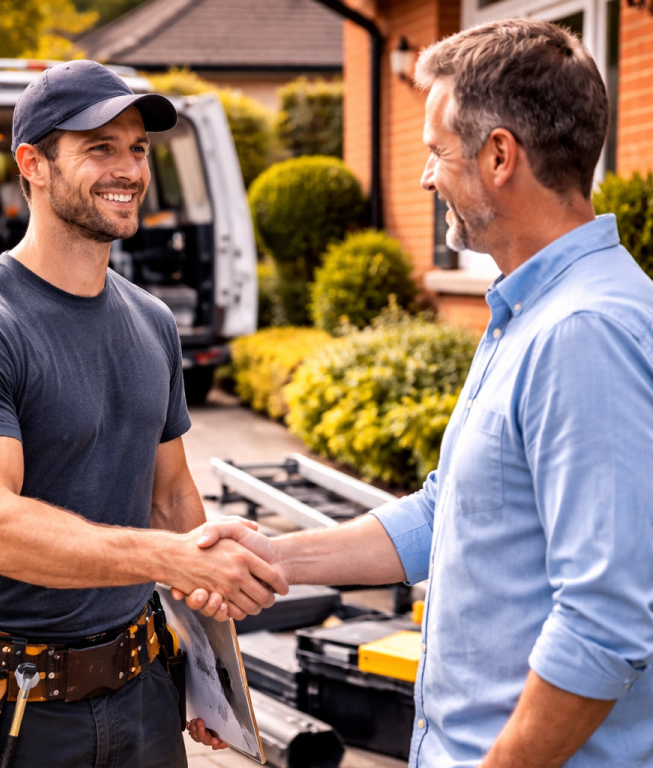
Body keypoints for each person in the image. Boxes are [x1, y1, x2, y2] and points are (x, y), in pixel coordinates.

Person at [182, 19, 653, 768]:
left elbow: (605, 623)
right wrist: (275, 560)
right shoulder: (525, 313)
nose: (427, 176)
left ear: (500, 155)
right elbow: (448, 513)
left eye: (436, 151)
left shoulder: (584, 333)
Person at [0, 60, 287, 767]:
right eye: (100, 147)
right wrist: (164, 557)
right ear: (35, 165)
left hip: (142, 691)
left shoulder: (151, 322)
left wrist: (214, 683)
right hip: (12, 714)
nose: (129, 169)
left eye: (139, 148)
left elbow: (172, 497)